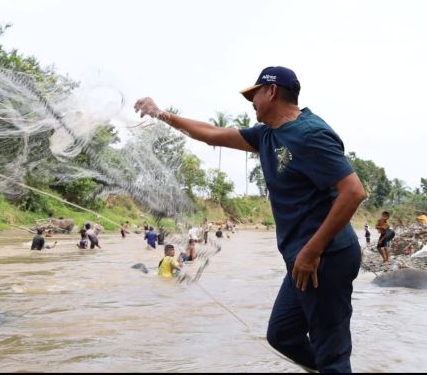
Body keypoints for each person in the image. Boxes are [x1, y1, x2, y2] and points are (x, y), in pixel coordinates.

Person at [135, 65, 367, 372]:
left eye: (254, 95)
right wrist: (161, 114)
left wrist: (312, 251)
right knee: (282, 334)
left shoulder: (309, 133)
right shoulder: (267, 135)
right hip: (299, 258)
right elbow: (212, 134)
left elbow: (353, 192)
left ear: (271, 91)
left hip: (325, 256)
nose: (251, 102)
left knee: (332, 351)